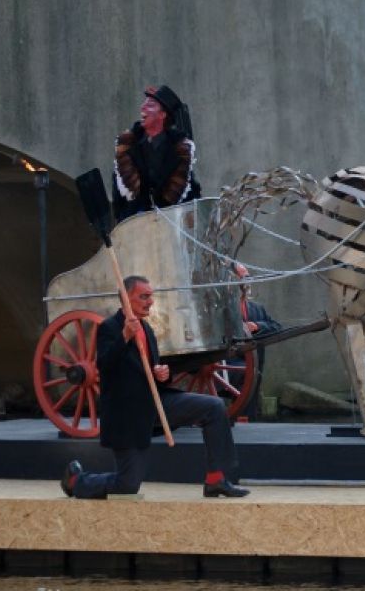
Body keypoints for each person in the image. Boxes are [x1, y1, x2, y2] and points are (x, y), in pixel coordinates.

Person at [62, 276, 249, 499]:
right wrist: (124, 337)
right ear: (125, 298)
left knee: (214, 407)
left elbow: (150, 371)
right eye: (144, 296)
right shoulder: (109, 328)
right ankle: (77, 481)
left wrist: (162, 375)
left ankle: (216, 479)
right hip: (128, 414)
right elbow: (105, 366)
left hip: (156, 402)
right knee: (127, 485)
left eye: (151, 296)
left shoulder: (147, 329)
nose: (150, 301)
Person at [112, 85, 200, 223]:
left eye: (151, 105)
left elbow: (190, 197)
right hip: (135, 226)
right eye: (144, 103)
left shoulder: (180, 152)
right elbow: (119, 200)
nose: (143, 107)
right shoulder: (128, 147)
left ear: (162, 114)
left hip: (170, 225)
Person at [233, 263, 280, 419]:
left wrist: (257, 326)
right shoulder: (224, 308)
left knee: (251, 404)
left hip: (255, 366)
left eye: (248, 277)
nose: (248, 281)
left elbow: (276, 327)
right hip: (231, 367)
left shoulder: (256, 308)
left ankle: (250, 427)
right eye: (244, 277)